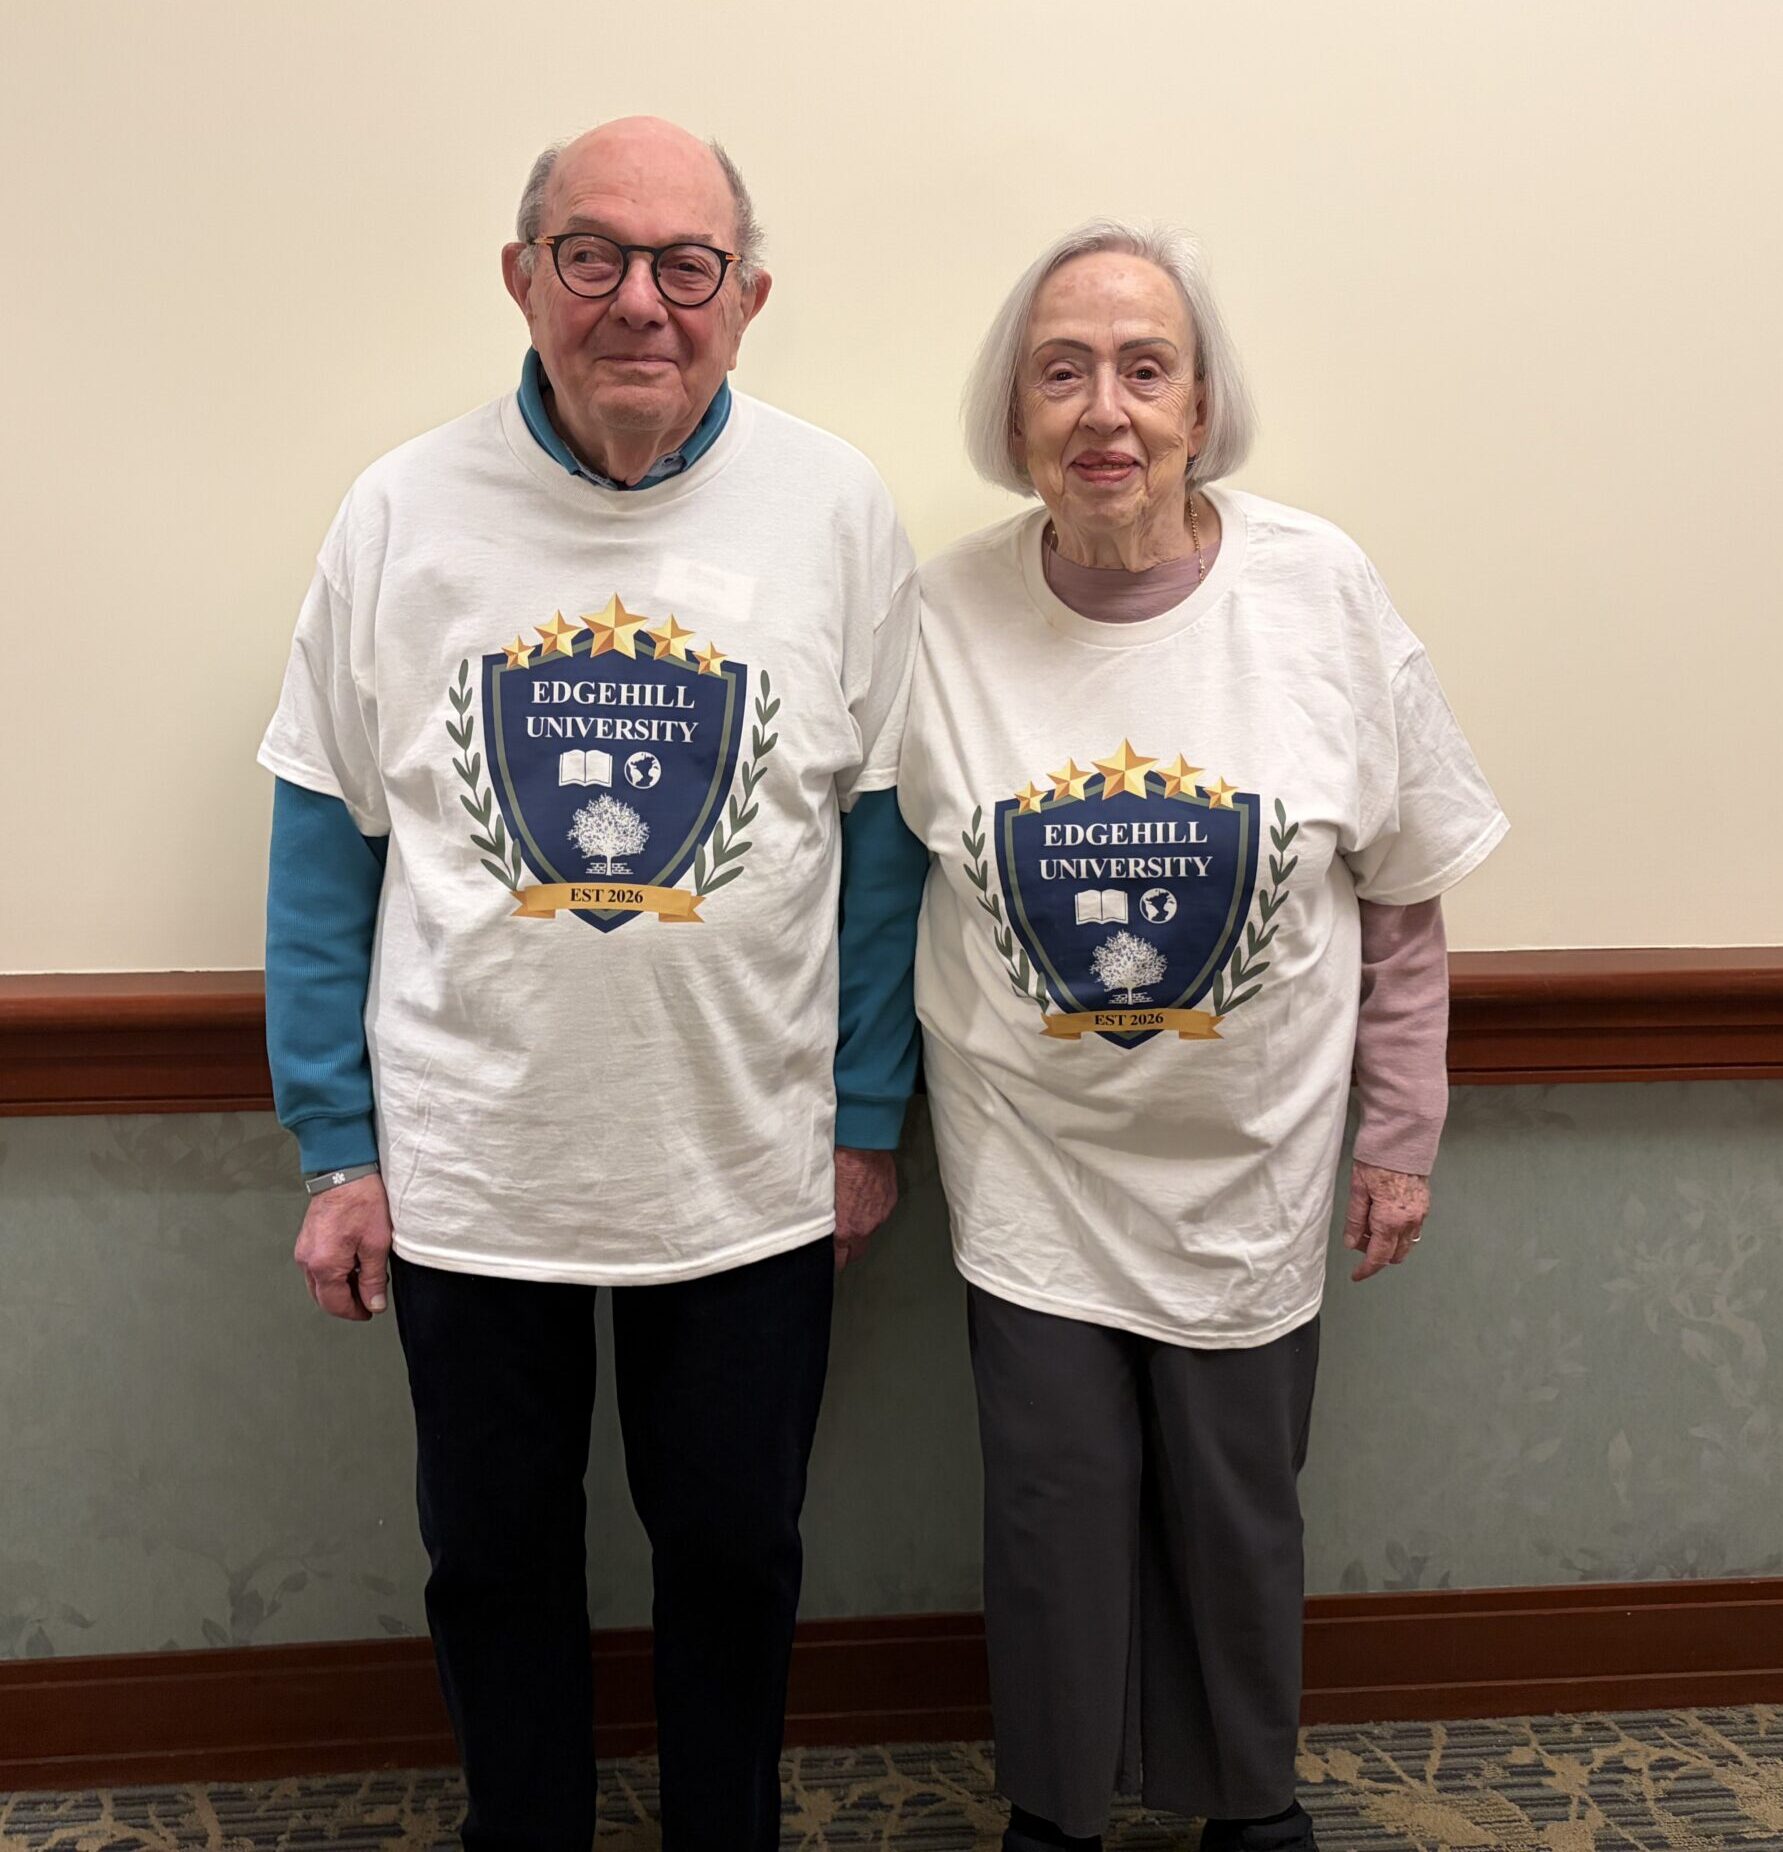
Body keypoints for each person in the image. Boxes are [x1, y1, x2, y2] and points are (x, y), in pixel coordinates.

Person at [258, 117, 920, 1852]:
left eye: (685, 266)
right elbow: (324, 842)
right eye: (594, 255)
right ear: (521, 274)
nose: (642, 301)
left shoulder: (836, 508)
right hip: (474, 1165)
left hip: (747, 1166)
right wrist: (338, 1149)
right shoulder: (400, 512)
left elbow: (882, 847)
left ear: (747, 295)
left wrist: (863, 1118)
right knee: (489, 1561)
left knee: (735, 1557)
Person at [887, 221, 1508, 1852]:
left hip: (1256, 1163)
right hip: (1031, 1166)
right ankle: (1057, 1814)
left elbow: (1405, 900)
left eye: (1144, 369)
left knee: (1237, 1516)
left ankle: (1251, 1809)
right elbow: (875, 891)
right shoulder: (938, 616)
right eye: (1062, 370)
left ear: (1200, 403)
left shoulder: (1320, 592)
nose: (1106, 410)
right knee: (1051, 1511)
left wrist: (1398, 1135)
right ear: (1015, 419)